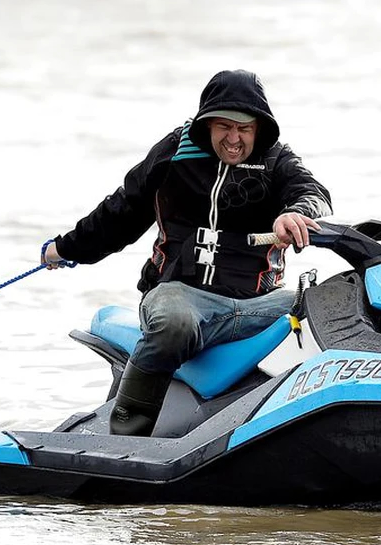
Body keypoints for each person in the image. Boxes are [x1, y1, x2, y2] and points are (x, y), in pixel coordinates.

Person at [41, 69, 332, 437]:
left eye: (244, 129)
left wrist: (297, 212)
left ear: (259, 129)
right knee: (173, 321)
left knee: (328, 304)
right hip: (182, 298)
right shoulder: (175, 151)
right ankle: (125, 435)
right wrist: (64, 249)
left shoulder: (277, 161)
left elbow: (314, 194)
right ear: (207, 123)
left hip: (261, 304)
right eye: (224, 126)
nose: (233, 138)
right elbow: (121, 211)